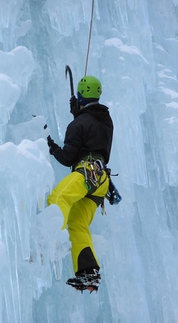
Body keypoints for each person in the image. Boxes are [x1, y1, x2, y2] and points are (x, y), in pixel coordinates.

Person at [46, 75, 113, 293]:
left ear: (80, 96)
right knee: (77, 223)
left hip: (87, 173)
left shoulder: (78, 124)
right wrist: (80, 113)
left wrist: (51, 147)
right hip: (101, 181)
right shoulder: (106, 120)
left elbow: (67, 158)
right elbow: (91, 123)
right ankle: (88, 273)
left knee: (58, 197)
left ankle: (49, 242)